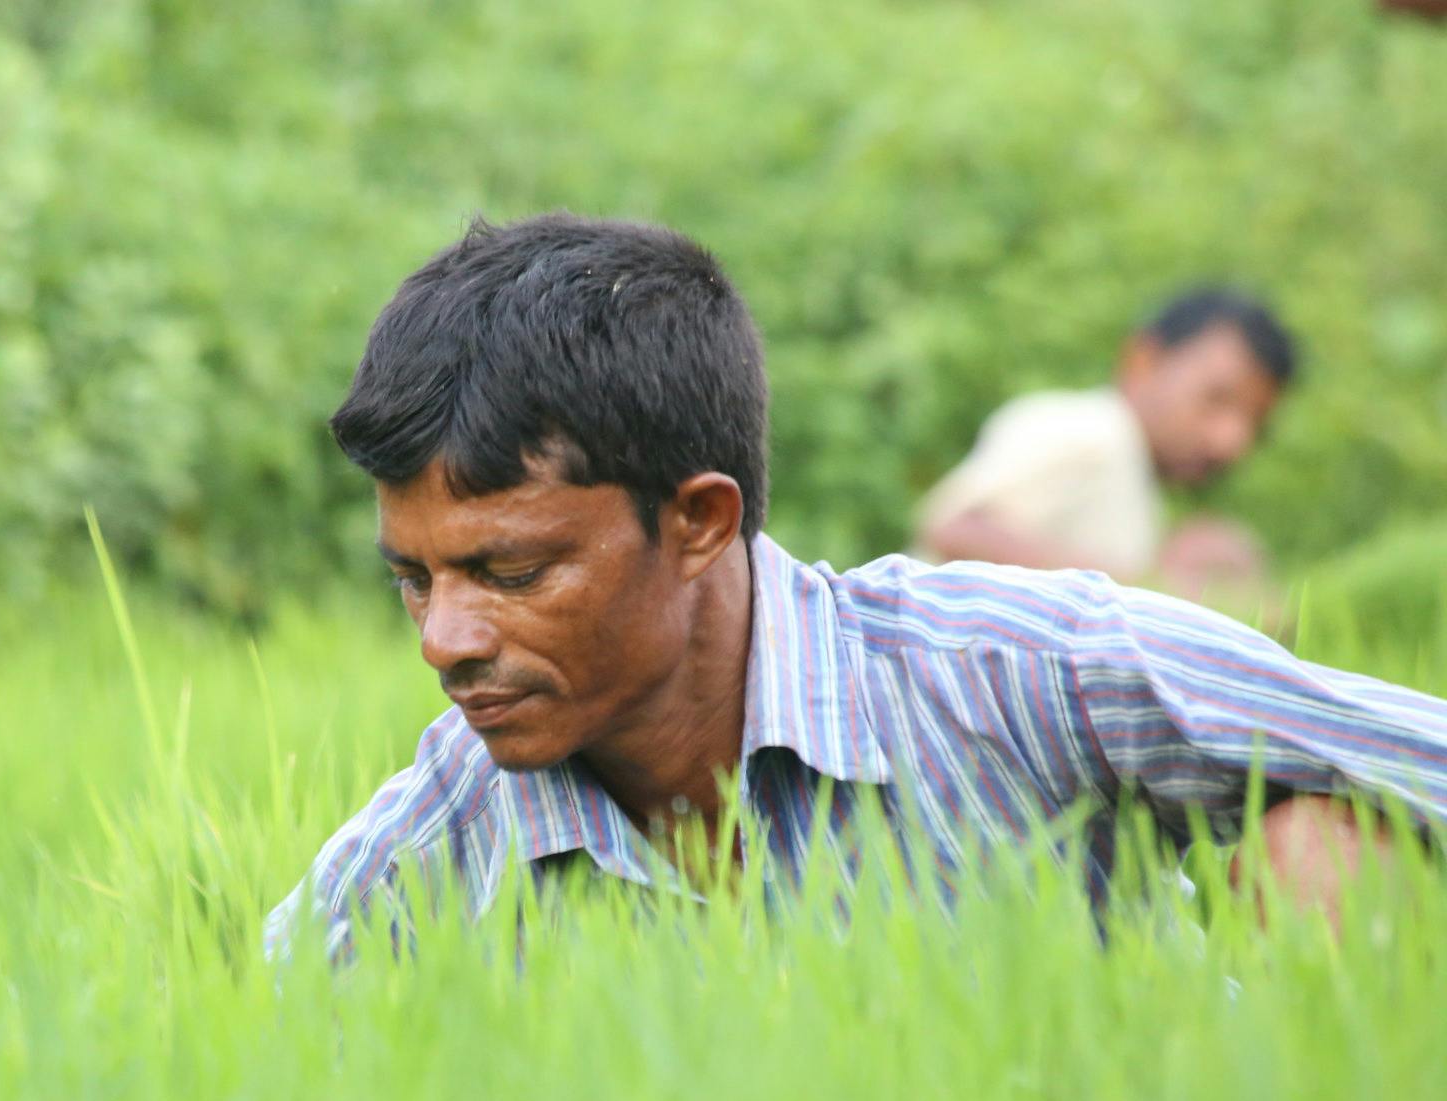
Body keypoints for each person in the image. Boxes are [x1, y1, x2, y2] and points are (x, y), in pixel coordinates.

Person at [266, 214, 1446, 963]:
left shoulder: (1013, 669)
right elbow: (230, 1064)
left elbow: (1420, 757)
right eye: (411, 581)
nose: (445, 640)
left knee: (1334, 840)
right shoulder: (443, 831)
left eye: (509, 572)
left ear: (697, 522)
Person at [910, 290, 1294, 607]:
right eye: (1216, 399)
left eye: (1253, 423)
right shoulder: (1090, 428)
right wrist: (1163, 594)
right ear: (1143, 361)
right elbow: (958, 530)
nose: (1232, 441)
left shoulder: (1129, 470)